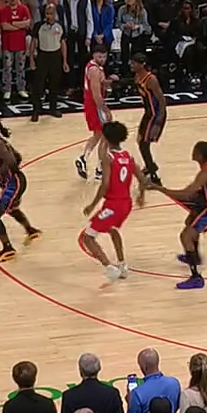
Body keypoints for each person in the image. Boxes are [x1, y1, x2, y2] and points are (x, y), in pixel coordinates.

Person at [150, 140, 207, 289]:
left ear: (200, 154)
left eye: (194, 151)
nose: (192, 153)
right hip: (205, 202)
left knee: (185, 236)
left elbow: (186, 194)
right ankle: (194, 256)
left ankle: (196, 277)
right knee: (189, 225)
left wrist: (161, 189)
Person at [82, 120, 149, 282]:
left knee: (88, 237)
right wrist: (141, 196)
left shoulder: (109, 158)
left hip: (113, 205)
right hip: (126, 204)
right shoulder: (128, 156)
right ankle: (122, 265)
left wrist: (92, 205)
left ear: (105, 137)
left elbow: (105, 185)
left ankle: (109, 267)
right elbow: (142, 179)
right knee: (112, 229)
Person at [0, 119, 42, 262]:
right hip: (17, 181)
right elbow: (18, 157)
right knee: (12, 208)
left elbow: (12, 161)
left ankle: (8, 248)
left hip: (13, 184)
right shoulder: (0, 141)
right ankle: (30, 230)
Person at [76, 45, 114, 180]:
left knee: (98, 135)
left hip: (91, 105)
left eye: (104, 56)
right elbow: (96, 95)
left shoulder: (94, 67)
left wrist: (108, 81)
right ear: (93, 55)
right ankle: (100, 169)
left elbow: (100, 82)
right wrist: (106, 110)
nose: (102, 59)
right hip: (95, 105)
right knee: (106, 136)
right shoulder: (94, 70)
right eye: (99, 56)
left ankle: (83, 158)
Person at [132, 53, 167, 186]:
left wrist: (158, 121)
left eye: (134, 63)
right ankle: (150, 165)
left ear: (142, 65)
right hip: (148, 113)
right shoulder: (137, 77)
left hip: (155, 114)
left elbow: (162, 100)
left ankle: (154, 176)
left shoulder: (151, 79)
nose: (131, 65)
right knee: (140, 140)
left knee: (144, 144)